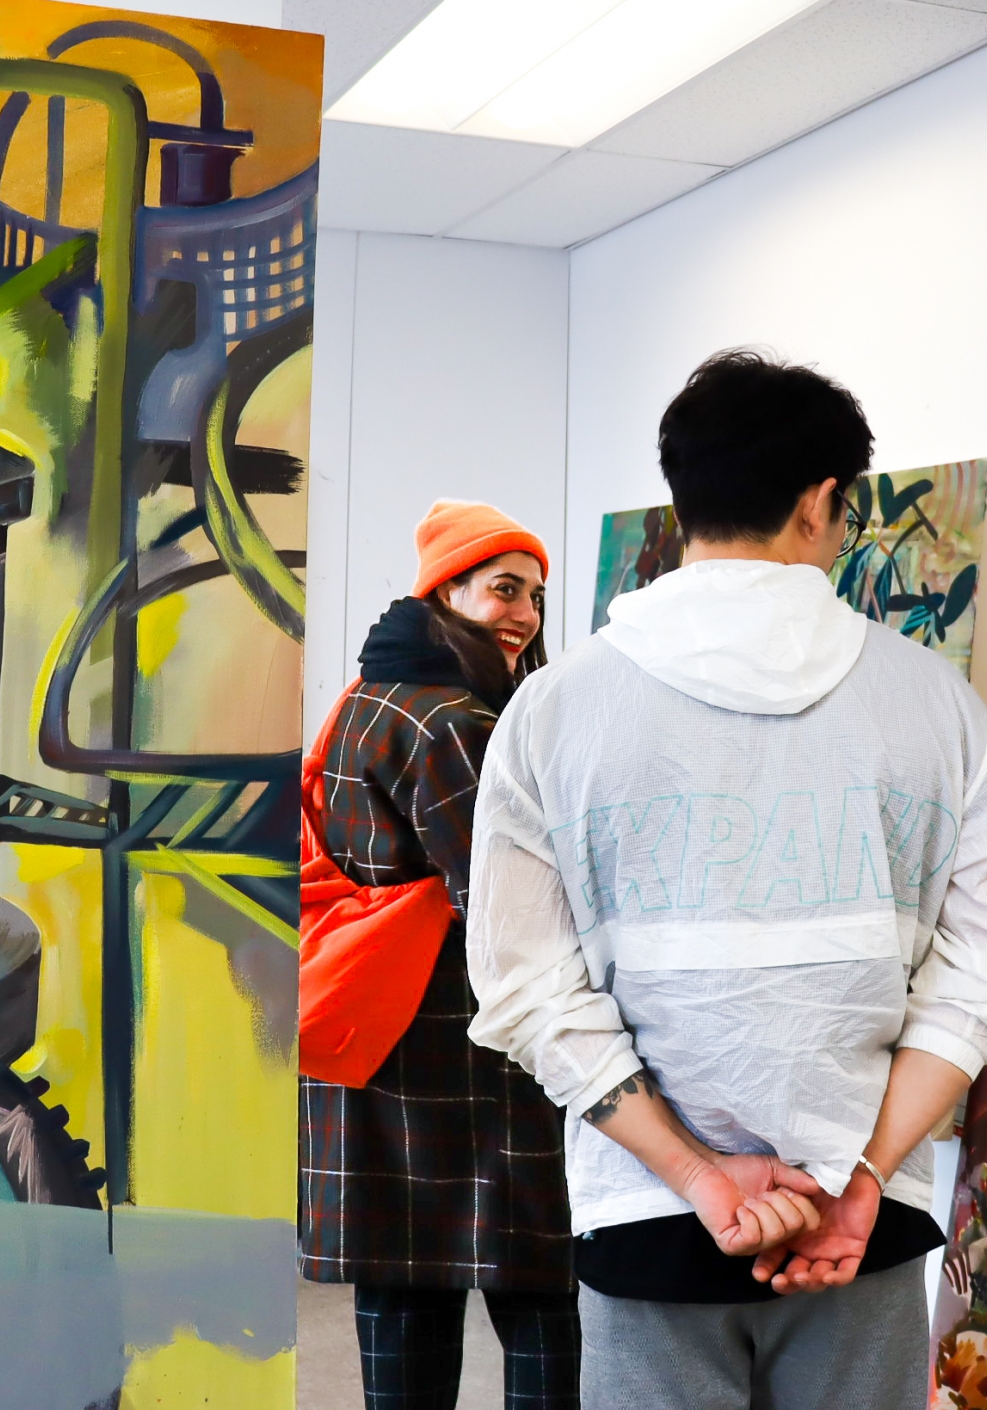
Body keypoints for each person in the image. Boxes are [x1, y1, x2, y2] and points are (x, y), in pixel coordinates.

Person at [466, 351, 987, 1410]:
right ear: (822, 502)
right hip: (859, 1228)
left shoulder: (554, 711)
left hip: (645, 1216)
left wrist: (697, 1176)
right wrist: (860, 1174)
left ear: (679, 495)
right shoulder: (934, 705)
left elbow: (524, 991)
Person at [301, 500, 580, 1410]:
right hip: (466, 1059)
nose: (524, 615)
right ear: (445, 591)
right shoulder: (452, 722)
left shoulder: (367, 697)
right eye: (503, 588)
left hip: (378, 1043)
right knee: (540, 1299)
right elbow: (503, 903)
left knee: (401, 1309)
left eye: (534, 594)